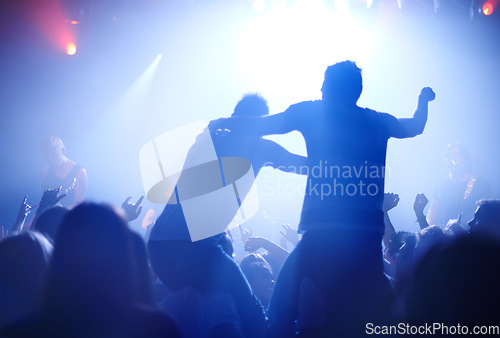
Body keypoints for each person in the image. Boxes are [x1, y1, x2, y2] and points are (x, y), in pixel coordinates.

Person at [210, 60, 436, 336]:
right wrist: (423, 100)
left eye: (323, 83)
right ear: (358, 90)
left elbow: (265, 125)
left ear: (327, 87)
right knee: (382, 319)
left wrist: (223, 123)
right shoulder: (377, 121)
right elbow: (416, 126)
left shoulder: (312, 112)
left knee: (278, 315)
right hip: (366, 241)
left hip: (321, 236)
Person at [427, 142, 491, 228]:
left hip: (470, 234)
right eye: (450, 154)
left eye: (457, 154)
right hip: (444, 235)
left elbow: (489, 211)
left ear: (465, 158)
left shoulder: (479, 182)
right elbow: (433, 210)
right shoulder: (440, 184)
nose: (453, 157)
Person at [41, 136, 87, 208]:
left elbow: (79, 204)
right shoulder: (46, 171)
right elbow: (44, 202)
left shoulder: (79, 172)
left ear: (63, 151)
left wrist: (60, 211)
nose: (50, 159)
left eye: (54, 155)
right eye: (47, 156)